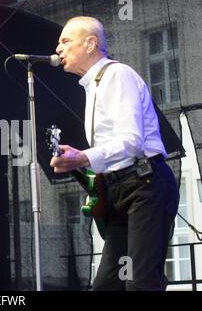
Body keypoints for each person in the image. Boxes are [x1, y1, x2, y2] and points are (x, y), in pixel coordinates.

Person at [49, 16, 178, 291]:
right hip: (121, 189)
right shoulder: (94, 84)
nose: (58, 49)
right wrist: (80, 157)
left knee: (140, 282)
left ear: (90, 43)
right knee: (108, 285)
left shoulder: (117, 75)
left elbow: (131, 141)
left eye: (66, 41)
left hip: (145, 184)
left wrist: (83, 157)